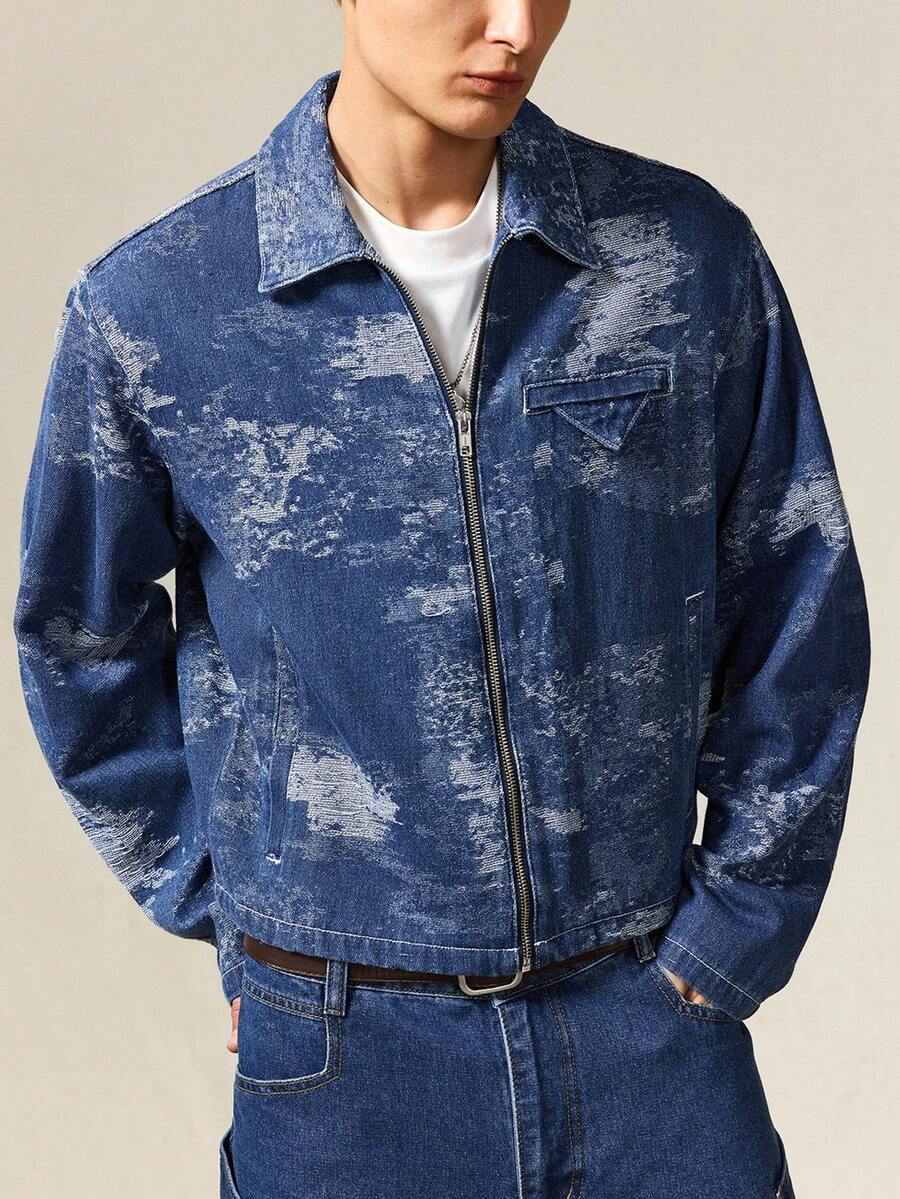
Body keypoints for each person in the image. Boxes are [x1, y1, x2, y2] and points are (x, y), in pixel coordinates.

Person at [13, 2, 870, 1196]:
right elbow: (76, 639)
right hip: (344, 1058)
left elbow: (796, 596)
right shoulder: (160, 306)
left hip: (649, 1030)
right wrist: (241, 917)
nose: (514, 24)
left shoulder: (682, 257)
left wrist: (733, 925)